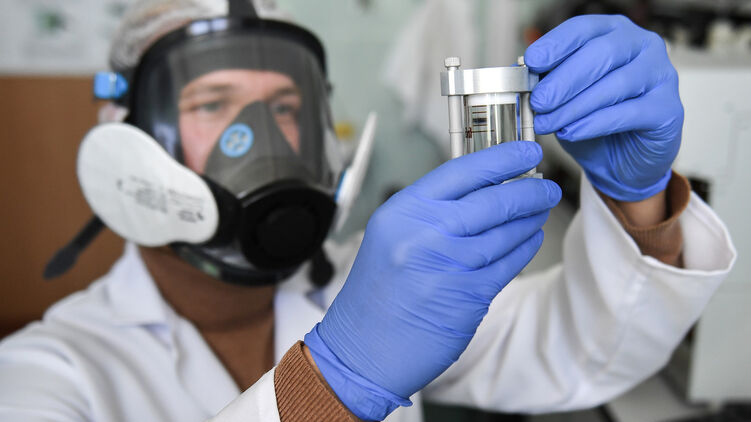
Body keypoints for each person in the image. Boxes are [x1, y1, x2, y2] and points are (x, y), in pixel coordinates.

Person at [0, 1, 736, 421]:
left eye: (283, 107)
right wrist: (331, 380)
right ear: (126, 143)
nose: (262, 138)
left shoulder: (374, 286)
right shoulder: (48, 371)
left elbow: (582, 351)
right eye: (213, 104)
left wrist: (638, 196)